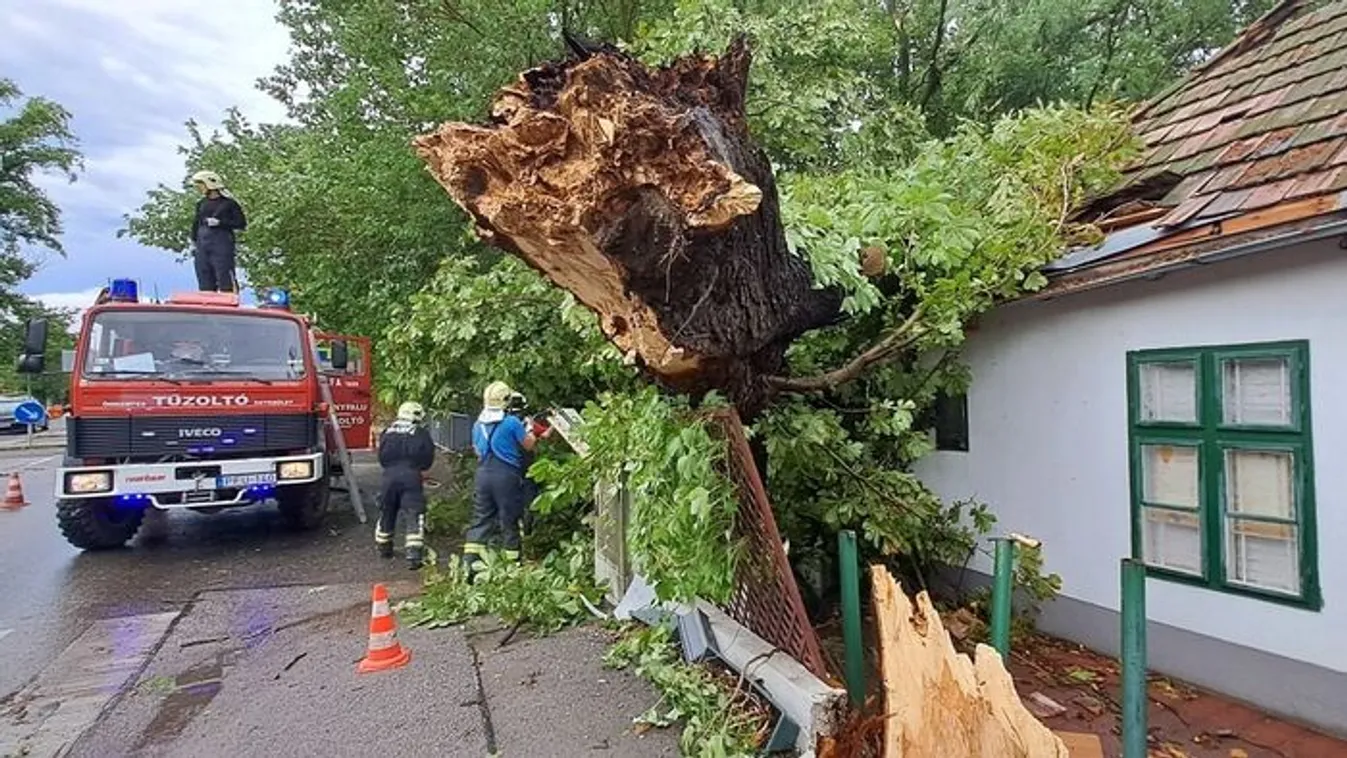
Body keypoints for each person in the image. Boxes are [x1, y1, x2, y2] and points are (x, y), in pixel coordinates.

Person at [463, 381, 549, 574]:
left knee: (481, 519)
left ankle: (469, 566)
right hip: (506, 476)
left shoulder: (478, 424)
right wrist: (529, 429)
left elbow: (477, 451)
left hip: (483, 475)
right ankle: (513, 566)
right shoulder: (511, 422)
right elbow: (529, 445)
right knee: (509, 519)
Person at [376, 401, 436, 569]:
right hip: (411, 477)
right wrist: (420, 468)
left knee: (387, 510)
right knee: (414, 513)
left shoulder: (387, 432)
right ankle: (414, 555)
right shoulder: (421, 433)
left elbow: (381, 457)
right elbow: (427, 457)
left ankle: (384, 547)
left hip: (389, 476)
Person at [189, 170, 247, 293]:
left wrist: (220, 223)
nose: (199, 189)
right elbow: (196, 223)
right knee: (205, 282)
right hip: (203, 248)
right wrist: (194, 240)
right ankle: (207, 307)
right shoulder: (201, 204)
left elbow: (241, 223)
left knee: (225, 279)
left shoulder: (229, 203)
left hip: (221, 247)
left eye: (201, 185)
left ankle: (229, 306)